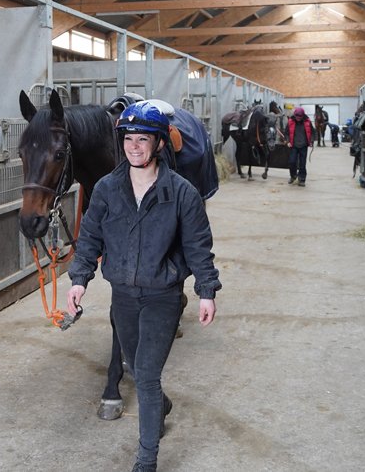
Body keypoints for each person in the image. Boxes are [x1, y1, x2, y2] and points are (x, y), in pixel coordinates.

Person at [66, 100, 221, 472]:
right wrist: (79, 280)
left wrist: (206, 291)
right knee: (135, 367)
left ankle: (146, 460)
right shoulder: (106, 189)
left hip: (162, 296)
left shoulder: (182, 192)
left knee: (147, 376)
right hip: (123, 295)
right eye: (129, 138)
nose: (134, 146)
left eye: (143, 139)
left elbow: (198, 246)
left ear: (160, 143)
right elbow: (90, 238)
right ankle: (160, 405)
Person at [287, 106, 313, 186]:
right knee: (292, 162)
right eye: (297, 117)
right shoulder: (290, 121)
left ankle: (302, 179)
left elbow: (313, 132)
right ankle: (293, 176)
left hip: (303, 146)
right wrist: (287, 141)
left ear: (303, 116)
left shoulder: (307, 122)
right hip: (293, 145)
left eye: (300, 117)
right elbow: (286, 133)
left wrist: (311, 141)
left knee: (302, 164)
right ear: (294, 115)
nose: (298, 118)